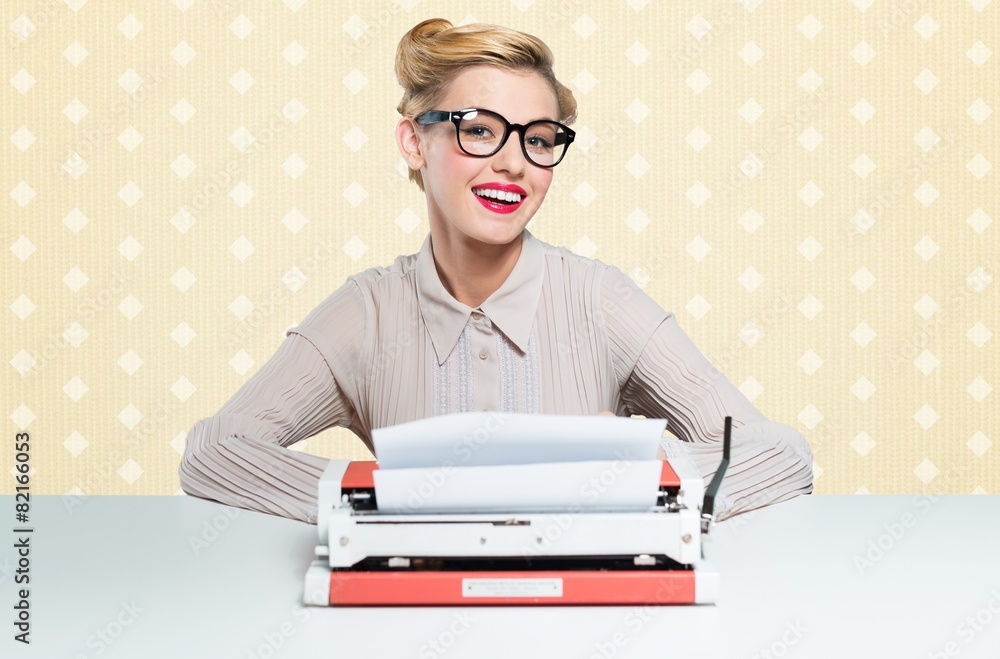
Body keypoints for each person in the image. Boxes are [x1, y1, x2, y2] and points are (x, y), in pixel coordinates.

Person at [179, 18, 812, 525]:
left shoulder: (599, 301)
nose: (514, 163)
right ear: (413, 142)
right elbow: (215, 453)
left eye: (538, 138)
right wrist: (380, 500)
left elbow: (778, 455)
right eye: (479, 130)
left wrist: (637, 467)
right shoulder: (367, 313)